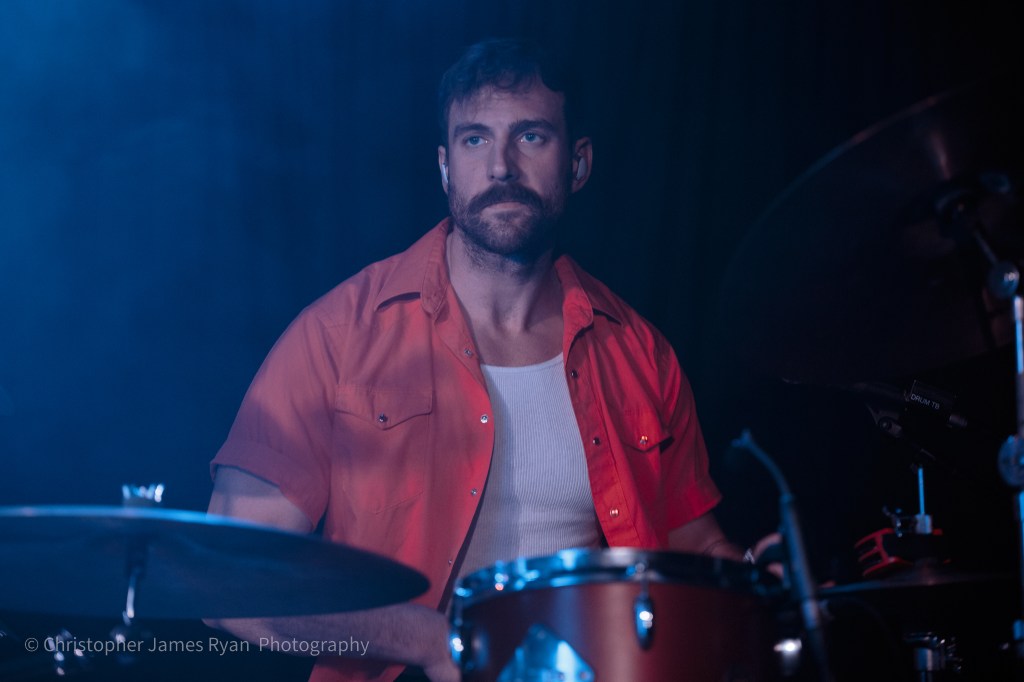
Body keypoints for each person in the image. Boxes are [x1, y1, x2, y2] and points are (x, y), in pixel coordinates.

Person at [206, 37, 761, 682]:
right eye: (474, 140)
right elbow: (224, 581)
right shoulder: (335, 337)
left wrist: (761, 577)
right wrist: (424, 639)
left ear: (578, 163)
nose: (501, 166)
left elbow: (693, 544)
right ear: (445, 168)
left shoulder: (640, 353)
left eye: (531, 137)